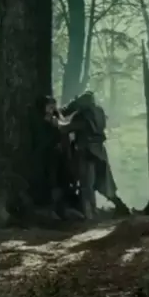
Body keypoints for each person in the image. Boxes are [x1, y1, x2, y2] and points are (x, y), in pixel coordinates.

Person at [56, 91, 130, 219]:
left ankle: (90, 214)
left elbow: (65, 128)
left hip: (87, 152)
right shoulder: (98, 112)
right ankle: (120, 207)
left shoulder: (85, 116)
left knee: (87, 185)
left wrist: (55, 119)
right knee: (102, 184)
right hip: (99, 152)